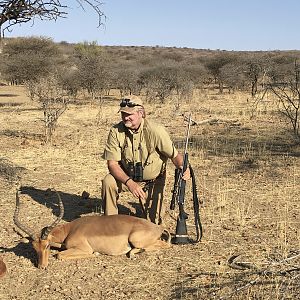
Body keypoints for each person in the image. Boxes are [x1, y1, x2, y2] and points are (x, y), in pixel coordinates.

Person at [101, 95, 190, 225]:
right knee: (108, 181)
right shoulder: (115, 131)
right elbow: (112, 164)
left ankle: (156, 207)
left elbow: (174, 155)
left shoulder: (156, 130)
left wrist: (184, 167)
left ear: (141, 113)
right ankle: (110, 224)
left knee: (153, 223)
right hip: (127, 179)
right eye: (123, 114)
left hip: (153, 181)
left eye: (129, 114)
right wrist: (130, 183)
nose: (125, 117)